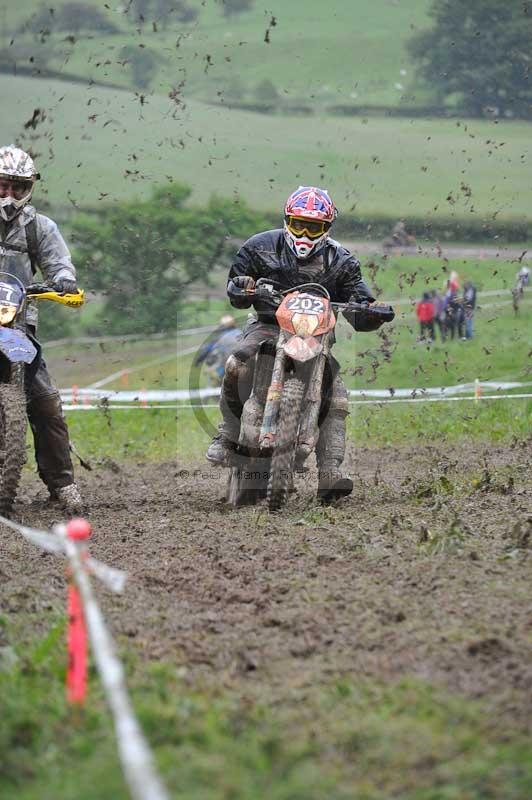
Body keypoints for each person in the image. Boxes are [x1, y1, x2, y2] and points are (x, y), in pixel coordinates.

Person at [205, 186, 391, 503]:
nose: (304, 233)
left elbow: (359, 305)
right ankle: (227, 433)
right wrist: (243, 287)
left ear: (326, 229)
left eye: (313, 227)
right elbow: (236, 287)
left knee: (337, 395)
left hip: (317, 335)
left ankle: (330, 472)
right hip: (267, 326)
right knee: (237, 363)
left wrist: (372, 311)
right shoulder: (260, 247)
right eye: (299, 224)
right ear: (287, 221)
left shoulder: (342, 261)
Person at [0, 144, 82, 513]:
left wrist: (63, 281)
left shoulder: (39, 227)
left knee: (46, 402)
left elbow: (59, 264)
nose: (10, 194)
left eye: (18, 186)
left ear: (30, 187)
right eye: (3, 185)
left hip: (16, 322)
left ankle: (62, 484)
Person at [194, 315, 242, 385]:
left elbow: (208, 349)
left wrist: (198, 361)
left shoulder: (220, 336)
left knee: (215, 378)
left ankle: (214, 387)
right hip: (242, 364)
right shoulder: (240, 332)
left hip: (225, 366)